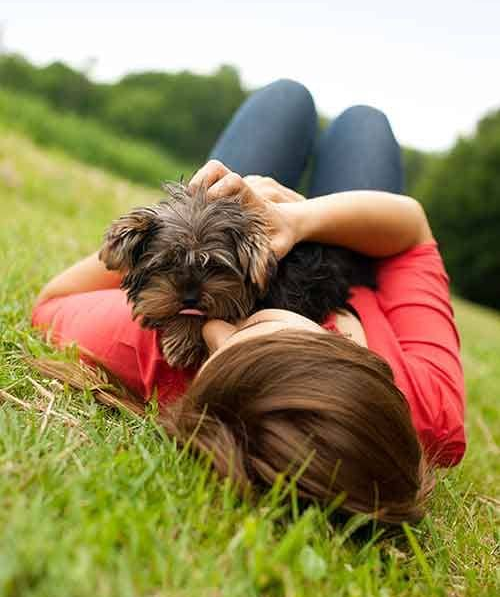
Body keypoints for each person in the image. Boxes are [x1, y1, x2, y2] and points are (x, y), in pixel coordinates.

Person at [31, 79, 466, 524]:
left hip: (225, 238)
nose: (213, 327)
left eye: (214, 354)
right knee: (366, 123)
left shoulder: (160, 353)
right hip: (361, 255)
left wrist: (166, 232)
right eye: (251, 333)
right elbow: (413, 229)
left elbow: (51, 304)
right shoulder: (432, 416)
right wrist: (302, 218)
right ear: (324, 351)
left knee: (285, 99)